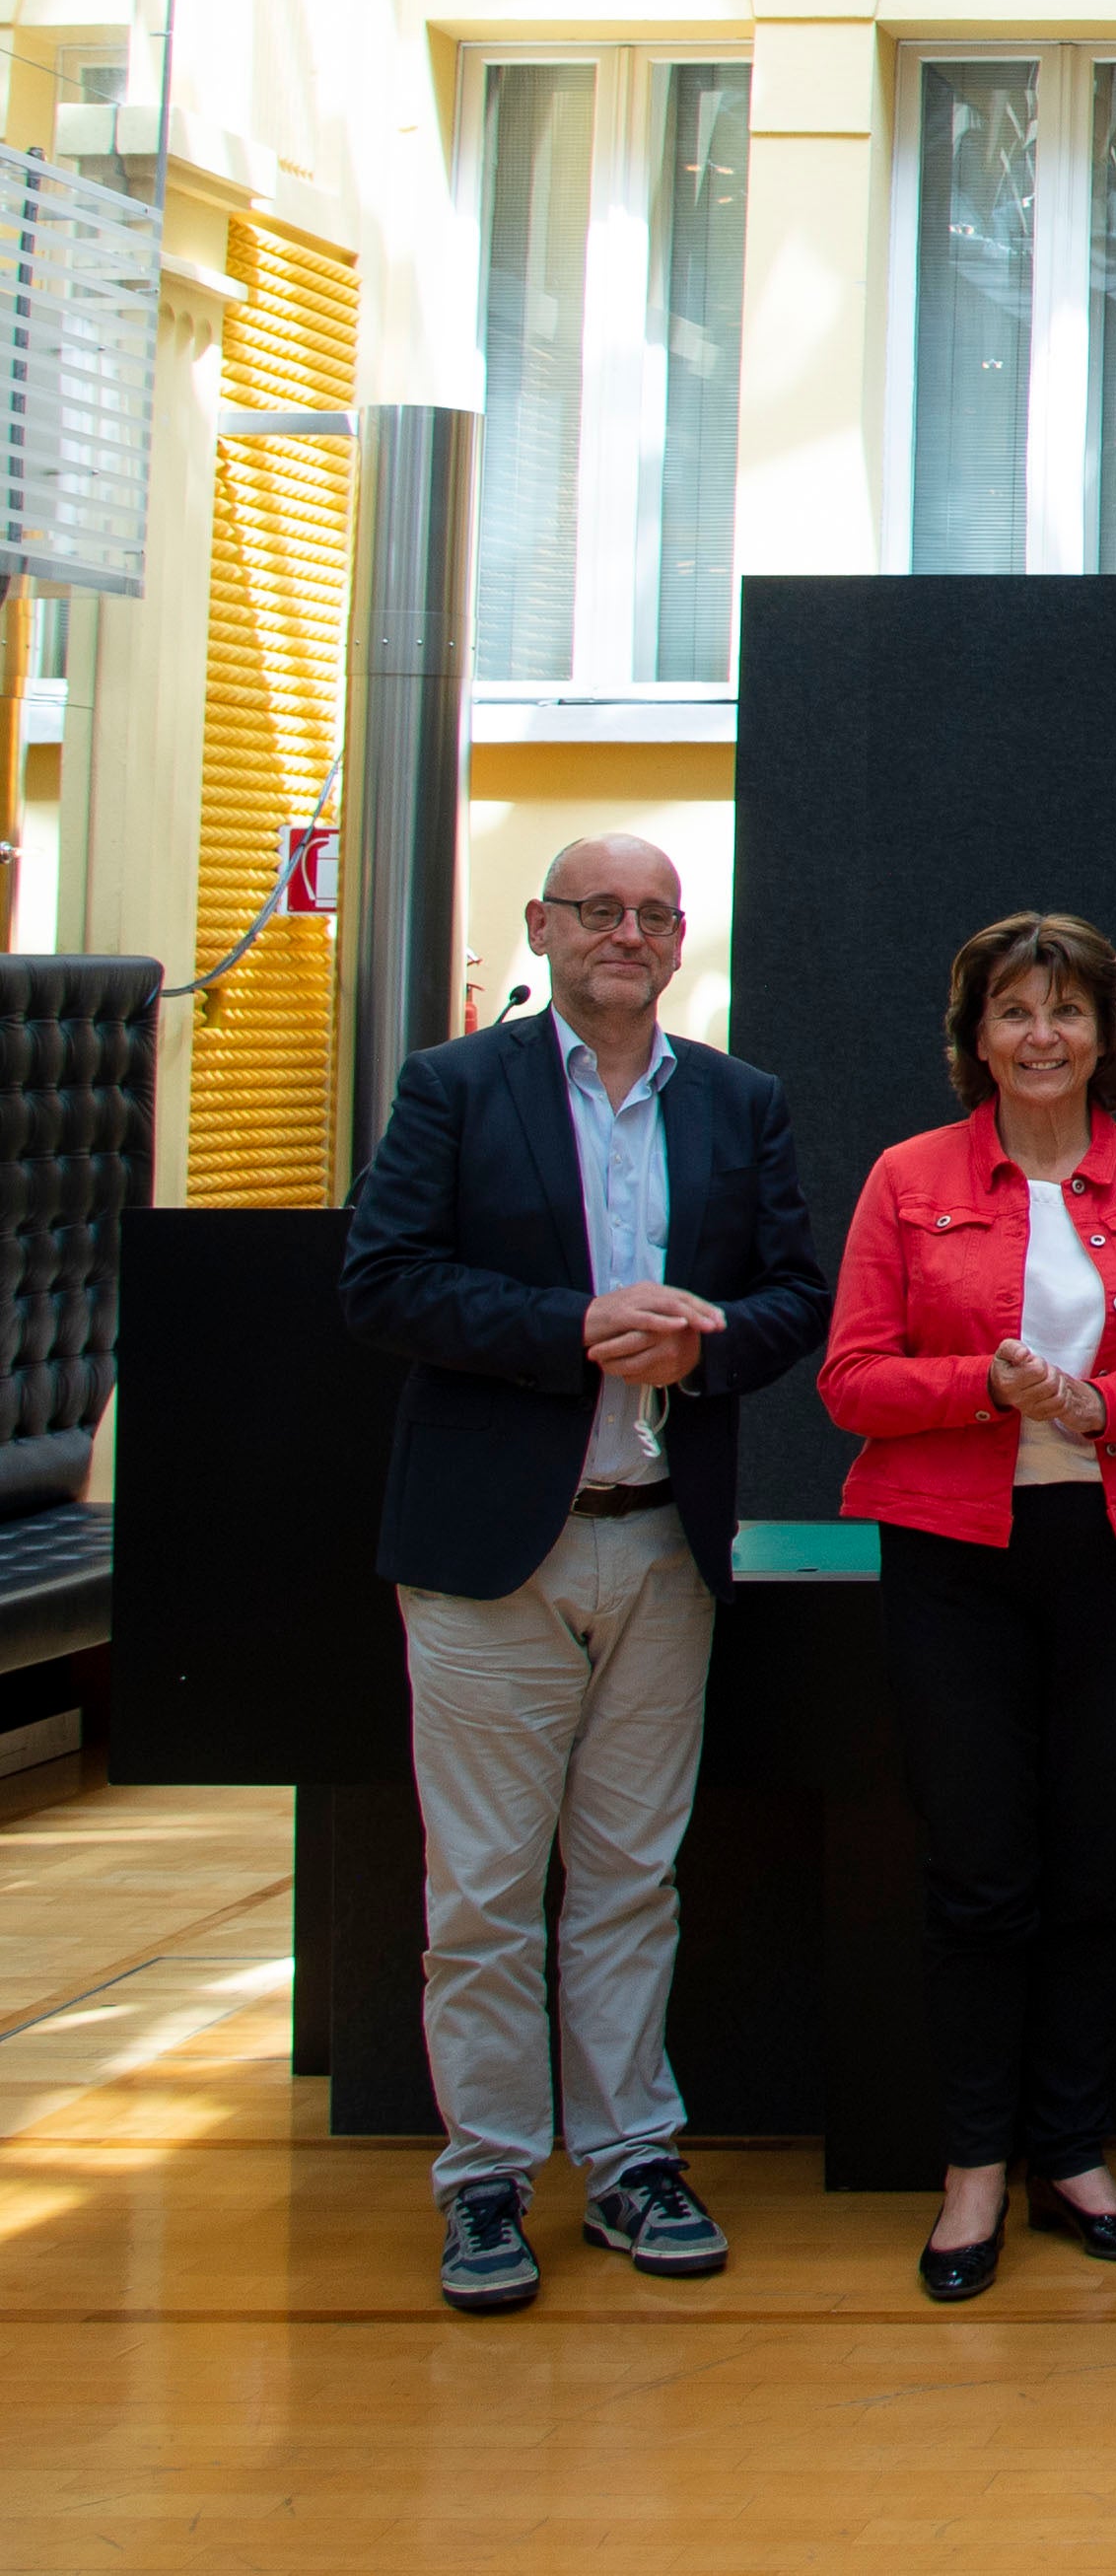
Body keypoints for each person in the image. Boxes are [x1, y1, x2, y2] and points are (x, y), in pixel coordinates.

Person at [340, 833, 829, 2318]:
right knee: (483, 1888)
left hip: (663, 1539)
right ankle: (486, 2176)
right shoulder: (454, 1086)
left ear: (681, 940)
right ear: (544, 925)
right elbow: (381, 1279)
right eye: (598, 908)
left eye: (652, 912)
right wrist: (578, 1321)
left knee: (629, 1877)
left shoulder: (740, 1101)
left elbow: (795, 1297)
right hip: (496, 1553)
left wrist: (706, 1340)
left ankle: (628, 2153)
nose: (626, 931)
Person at [820, 912, 1116, 2302]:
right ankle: (971, 2172)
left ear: (1103, 1030)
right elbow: (848, 1378)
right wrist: (983, 1387)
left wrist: (1105, 1404)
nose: (1041, 1035)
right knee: (976, 1866)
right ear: (976, 1034)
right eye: (1012, 1010)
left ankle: (1072, 2151)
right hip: (954, 1553)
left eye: (1065, 1011)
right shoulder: (908, 1176)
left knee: (1090, 1858)